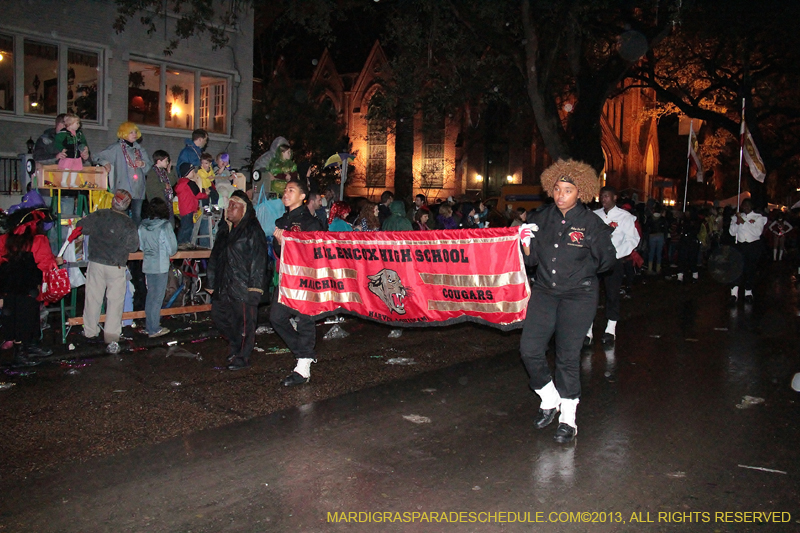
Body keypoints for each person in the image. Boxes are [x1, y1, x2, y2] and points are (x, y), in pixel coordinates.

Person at [519, 159, 616, 444]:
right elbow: (531, 261)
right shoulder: (540, 218)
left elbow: (607, 261)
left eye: (568, 190)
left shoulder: (592, 224)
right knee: (529, 350)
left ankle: (568, 419)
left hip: (578, 295)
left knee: (567, 356)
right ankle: (549, 398)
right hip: (545, 292)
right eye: (557, 189)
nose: (561, 195)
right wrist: (525, 244)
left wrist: (582, 268)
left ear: (581, 192)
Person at [270, 179, 325, 386]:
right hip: (286, 277)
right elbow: (278, 252)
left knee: (305, 320)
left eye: (291, 190)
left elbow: (315, 252)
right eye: (285, 190)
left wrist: (289, 243)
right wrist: (279, 244)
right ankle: (305, 353)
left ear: (303, 197)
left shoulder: (310, 223)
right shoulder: (281, 221)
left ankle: (303, 367)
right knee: (276, 317)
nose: (286, 193)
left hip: (305, 278)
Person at [207, 190, 269, 371]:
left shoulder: (252, 230)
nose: (229, 208)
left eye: (234, 206)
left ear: (244, 209)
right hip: (224, 285)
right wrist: (211, 282)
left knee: (244, 324)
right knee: (220, 317)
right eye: (229, 205)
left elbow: (259, 261)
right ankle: (235, 347)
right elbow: (215, 257)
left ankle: (242, 356)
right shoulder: (225, 230)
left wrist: (255, 288)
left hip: (243, 286)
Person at [77, 190, 140, 354]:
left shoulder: (100, 215)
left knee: (93, 299)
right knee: (115, 302)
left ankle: (90, 332)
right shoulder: (128, 223)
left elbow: (81, 227)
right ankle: (111, 336)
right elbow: (133, 246)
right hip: (116, 265)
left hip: (96, 262)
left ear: (112, 201)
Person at [0, 208, 61, 366]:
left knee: (16, 317)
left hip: (10, 287)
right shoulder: (38, 240)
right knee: (26, 318)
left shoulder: (6, 239)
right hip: (27, 286)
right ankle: (20, 353)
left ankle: (31, 346)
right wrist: (57, 262)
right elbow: (45, 263)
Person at [585, 186, 639, 345]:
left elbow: (632, 239)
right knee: (590, 295)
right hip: (595, 261)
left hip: (614, 261)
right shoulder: (594, 215)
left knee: (612, 294)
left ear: (615, 197)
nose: (603, 199)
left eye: (607, 196)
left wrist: (616, 254)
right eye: (602, 196)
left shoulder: (625, 217)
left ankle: (610, 329)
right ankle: (588, 330)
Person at [95, 122, 153, 226]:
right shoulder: (116, 148)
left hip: (138, 189)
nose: (134, 134)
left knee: (137, 216)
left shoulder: (140, 150)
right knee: (121, 215)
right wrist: (105, 163)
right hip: (123, 188)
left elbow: (149, 166)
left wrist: (143, 164)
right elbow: (97, 157)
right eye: (131, 132)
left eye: (135, 132)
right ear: (124, 133)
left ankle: (135, 235)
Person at [138, 198, 178, 338]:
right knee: (157, 298)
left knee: (150, 296)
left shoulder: (142, 226)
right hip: (160, 265)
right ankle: (154, 329)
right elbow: (172, 248)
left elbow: (141, 246)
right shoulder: (165, 226)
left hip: (148, 264)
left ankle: (149, 325)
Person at [729, 199, 766, 304]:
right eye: (744, 206)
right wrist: (737, 223)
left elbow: (757, 232)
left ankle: (748, 292)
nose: (746, 207)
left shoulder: (758, 218)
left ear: (751, 206)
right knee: (737, 269)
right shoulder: (737, 217)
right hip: (740, 246)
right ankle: (734, 294)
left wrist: (744, 223)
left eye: (748, 205)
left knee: (750, 269)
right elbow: (732, 232)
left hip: (753, 246)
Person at [174, 163, 208, 246]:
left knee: (184, 226)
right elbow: (198, 195)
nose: (194, 173)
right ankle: (183, 243)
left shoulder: (180, 183)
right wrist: (206, 194)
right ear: (187, 172)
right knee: (188, 227)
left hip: (183, 209)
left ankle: (182, 243)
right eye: (192, 171)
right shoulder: (190, 183)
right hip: (190, 208)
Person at [53, 113, 90, 186]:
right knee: (66, 168)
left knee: (75, 169)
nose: (78, 125)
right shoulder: (63, 133)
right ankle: (63, 181)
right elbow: (57, 142)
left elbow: (83, 141)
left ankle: (72, 182)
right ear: (70, 124)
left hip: (77, 155)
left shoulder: (79, 134)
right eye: (77, 123)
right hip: (68, 154)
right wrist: (62, 149)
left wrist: (84, 147)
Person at [145, 150, 176, 221]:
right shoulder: (152, 173)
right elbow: (152, 187)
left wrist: (169, 171)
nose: (167, 163)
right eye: (166, 161)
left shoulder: (163, 172)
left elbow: (172, 183)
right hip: (158, 204)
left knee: (170, 221)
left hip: (166, 202)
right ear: (159, 161)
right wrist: (164, 185)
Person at [645, 204, 668, 274]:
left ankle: (650, 268)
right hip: (660, 236)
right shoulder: (662, 219)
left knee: (651, 252)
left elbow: (646, 228)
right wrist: (665, 238)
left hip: (652, 236)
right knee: (659, 253)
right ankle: (658, 268)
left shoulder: (650, 218)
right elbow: (665, 229)